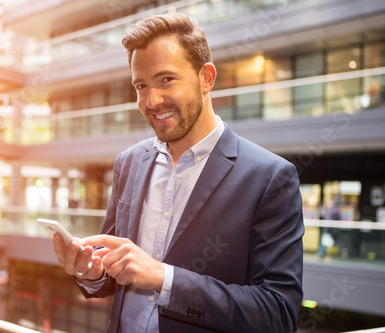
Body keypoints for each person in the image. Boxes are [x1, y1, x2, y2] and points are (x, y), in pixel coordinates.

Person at [52, 13, 304, 333]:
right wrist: (92, 272)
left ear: (206, 79)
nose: (151, 100)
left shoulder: (270, 178)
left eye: (166, 79)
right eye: (141, 85)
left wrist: (163, 278)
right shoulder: (128, 163)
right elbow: (114, 272)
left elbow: (278, 314)